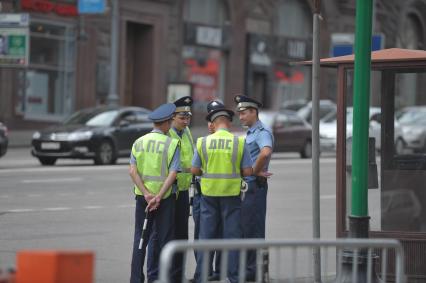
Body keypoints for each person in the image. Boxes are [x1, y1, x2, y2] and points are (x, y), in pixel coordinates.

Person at [191, 101, 253, 283]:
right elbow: (248, 171)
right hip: (232, 196)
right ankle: (232, 277)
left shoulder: (203, 142)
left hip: (208, 196)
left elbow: (195, 170)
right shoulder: (239, 142)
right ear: (229, 123)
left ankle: (203, 276)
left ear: (213, 123)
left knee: (206, 238)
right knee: (232, 238)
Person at [129, 103, 181, 283]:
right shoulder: (172, 144)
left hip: (142, 198)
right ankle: (158, 278)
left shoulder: (138, 142)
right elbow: (173, 173)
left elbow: (132, 172)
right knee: (162, 239)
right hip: (163, 199)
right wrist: (158, 196)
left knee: (140, 238)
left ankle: (136, 279)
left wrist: (146, 193)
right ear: (166, 123)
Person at [147, 96, 195, 282]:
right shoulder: (166, 134)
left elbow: (191, 154)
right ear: (171, 118)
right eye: (181, 117)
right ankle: (157, 276)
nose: (185, 121)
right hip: (167, 192)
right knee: (161, 236)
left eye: (187, 117)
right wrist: (190, 169)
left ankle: (176, 276)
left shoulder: (187, 131)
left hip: (182, 191)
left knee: (181, 236)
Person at [234, 94, 274, 281]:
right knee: (246, 228)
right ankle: (250, 270)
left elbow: (265, 152)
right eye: (239, 114)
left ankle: (253, 273)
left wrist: (254, 171)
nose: (240, 117)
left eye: (243, 113)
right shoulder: (251, 132)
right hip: (248, 188)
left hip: (254, 187)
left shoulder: (262, 132)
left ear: (253, 112)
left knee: (253, 230)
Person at [192, 109, 221, 282]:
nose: (211, 124)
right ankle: (204, 272)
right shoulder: (202, 142)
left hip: (216, 196)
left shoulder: (227, 142)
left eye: (214, 119)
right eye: (209, 120)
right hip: (200, 195)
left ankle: (215, 272)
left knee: (215, 235)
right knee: (201, 235)